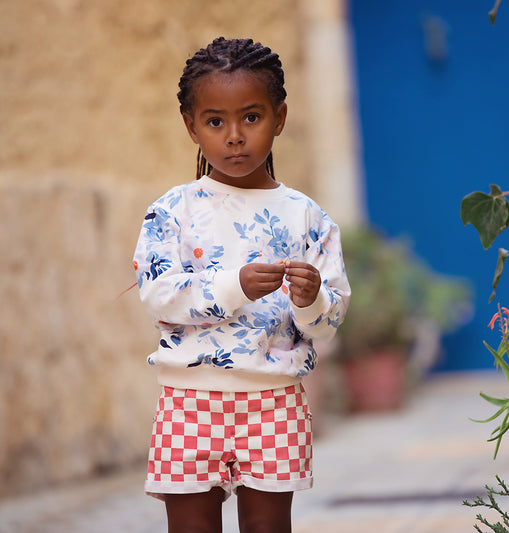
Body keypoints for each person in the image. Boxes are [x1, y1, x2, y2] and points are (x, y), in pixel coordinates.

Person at [133, 36, 350, 533]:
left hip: (275, 403)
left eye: (251, 117)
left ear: (280, 117)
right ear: (192, 126)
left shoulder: (306, 217)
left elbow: (328, 324)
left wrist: (312, 297)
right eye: (215, 121)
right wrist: (236, 286)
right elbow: (157, 293)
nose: (234, 135)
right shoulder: (173, 211)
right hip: (188, 402)